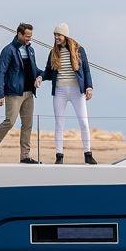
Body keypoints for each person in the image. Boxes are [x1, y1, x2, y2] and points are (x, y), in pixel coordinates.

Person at [0, 22, 43, 164]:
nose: (29, 39)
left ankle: (25, 156)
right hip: (13, 93)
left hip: (29, 93)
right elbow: (0, 72)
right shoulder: (8, 50)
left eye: (31, 36)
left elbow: (35, 70)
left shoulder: (31, 50)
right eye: (27, 36)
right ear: (19, 34)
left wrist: (48, 74)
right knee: (10, 121)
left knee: (27, 124)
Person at [41, 22, 96, 165]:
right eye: (55, 35)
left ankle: (88, 154)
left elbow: (87, 70)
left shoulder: (78, 50)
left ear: (65, 35)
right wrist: (40, 77)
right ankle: (59, 155)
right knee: (59, 124)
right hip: (59, 91)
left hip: (77, 91)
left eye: (58, 35)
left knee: (84, 122)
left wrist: (89, 87)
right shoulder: (53, 52)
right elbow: (48, 71)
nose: (56, 37)